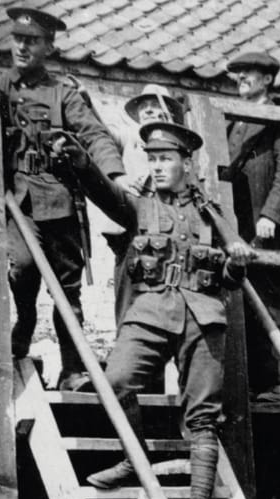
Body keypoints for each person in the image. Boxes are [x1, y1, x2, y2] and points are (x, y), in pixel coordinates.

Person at [0, 5, 125, 391]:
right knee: (24, 267)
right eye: (17, 39)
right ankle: (25, 321)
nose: (22, 47)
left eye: (31, 41)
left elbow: (95, 134)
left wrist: (114, 173)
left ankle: (73, 369)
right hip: (18, 200)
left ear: (48, 46)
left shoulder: (63, 92)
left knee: (67, 288)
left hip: (62, 201)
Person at [69, 119, 252, 499]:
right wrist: (83, 163)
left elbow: (229, 276)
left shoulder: (212, 213)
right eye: (151, 159)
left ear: (186, 163)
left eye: (166, 159)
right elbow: (102, 191)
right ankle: (133, 460)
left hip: (202, 316)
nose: (156, 166)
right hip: (150, 310)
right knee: (115, 380)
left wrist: (235, 265)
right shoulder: (137, 205)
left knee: (203, 416)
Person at [223, 50, 280, 404]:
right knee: (236, 300)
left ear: (268, 79)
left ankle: (276, 383)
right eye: (238, 73)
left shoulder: (278, 117)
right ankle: (247, 381)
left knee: (266, 299)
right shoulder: (230, 121)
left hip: (264, 226)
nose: (242, 78)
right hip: (233, 226)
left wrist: (272, 215)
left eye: (249, 73)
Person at [106, 84, 188, 329]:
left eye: (156, 106)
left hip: (167, 227)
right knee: (129, 292)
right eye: (145, 108)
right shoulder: (130, 138)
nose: (150, 112)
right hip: (134, 227)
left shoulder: (179, 144)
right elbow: (102, 135)